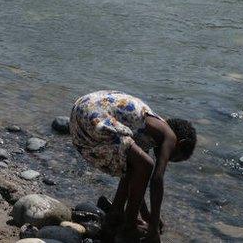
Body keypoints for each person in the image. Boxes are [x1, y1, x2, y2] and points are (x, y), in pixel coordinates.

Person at [70, 91, 197, 243]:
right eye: (173, 157)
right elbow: (157, 179)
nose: (167, 158)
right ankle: (128, 228)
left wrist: (146, 214)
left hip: (80, 113)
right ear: (180, 143)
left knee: (135, 167)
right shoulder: (169, 135)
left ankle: (114, 217)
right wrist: (154, 227)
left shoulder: (148, 130)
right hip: (94, 115)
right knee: (147, 164)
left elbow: (134, 178)